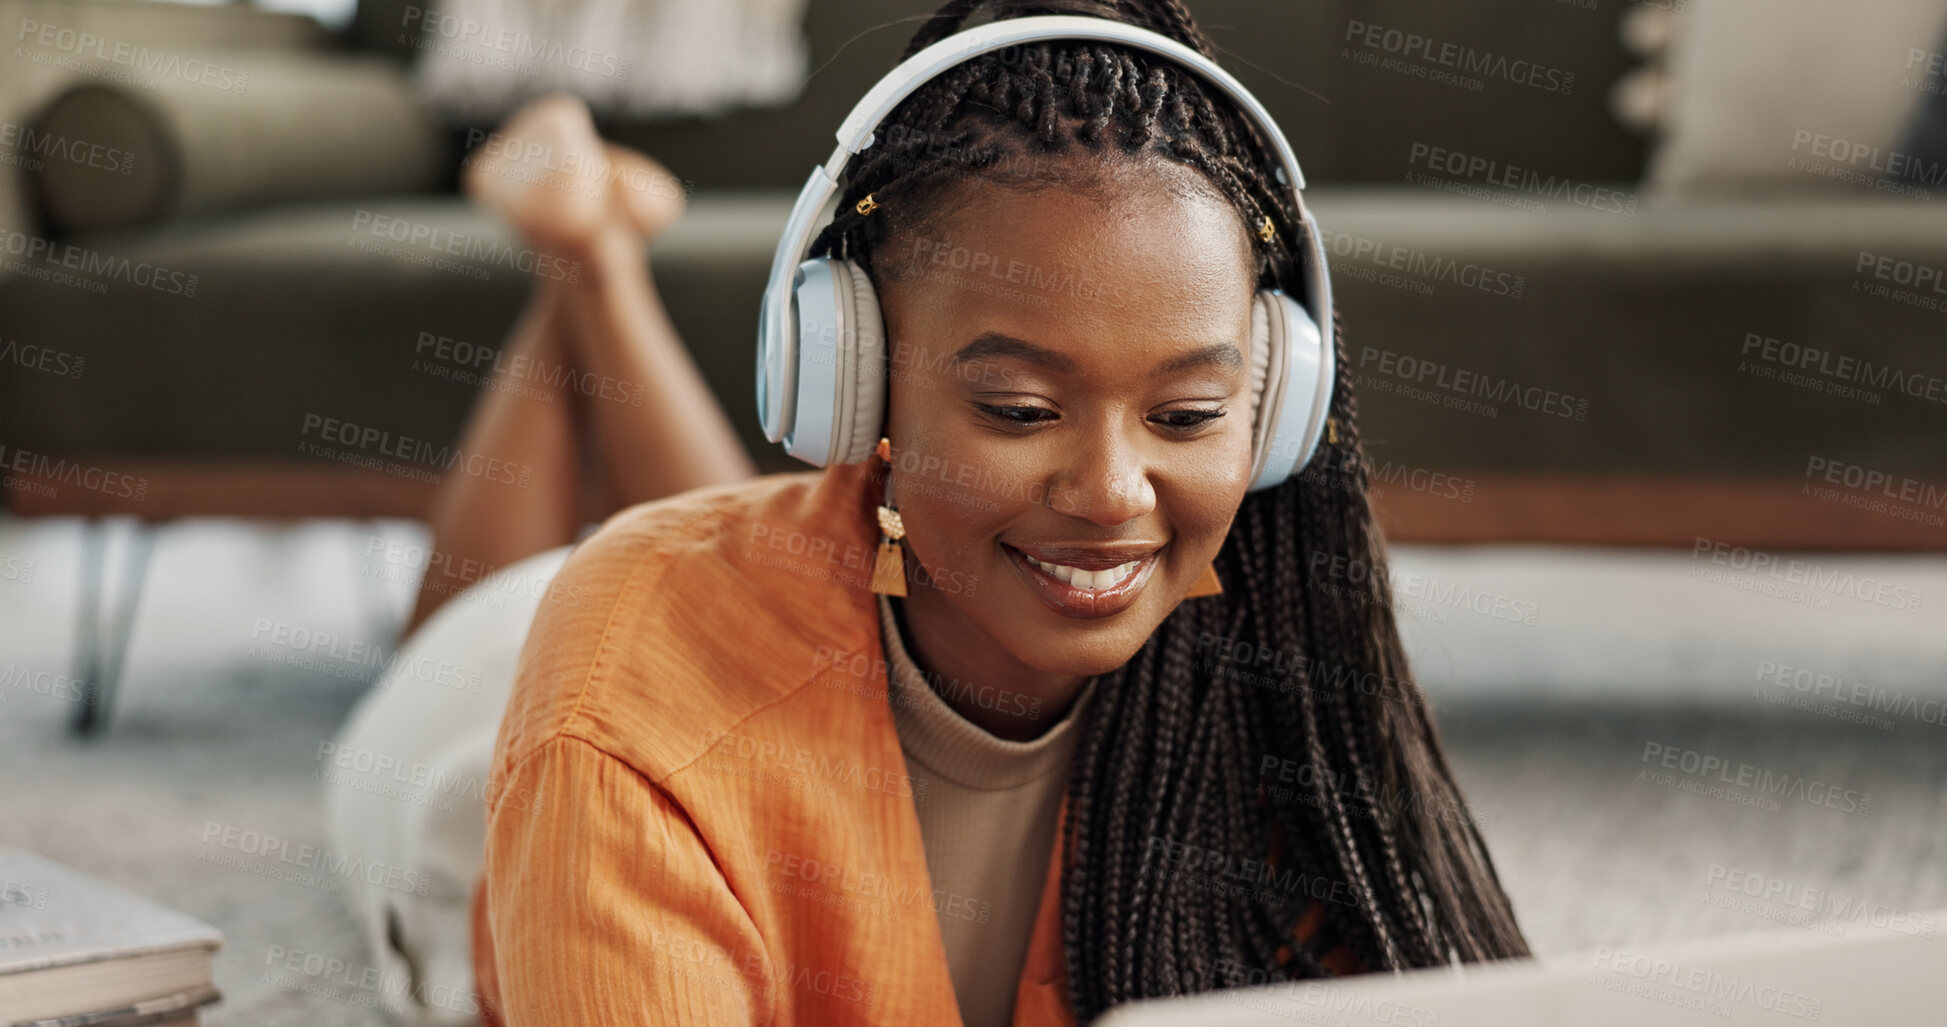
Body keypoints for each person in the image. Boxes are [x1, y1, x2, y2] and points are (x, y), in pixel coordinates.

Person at [327, 2, 1530, 1025]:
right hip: (477, 724)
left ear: (1275, 404)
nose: (1114, 495)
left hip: (779, 577)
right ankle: (580, 256)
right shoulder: (619, 713)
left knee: (706, 540)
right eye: (1016, 407)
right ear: (853, 381)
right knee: (529, 601)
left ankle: (587, 250)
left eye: (1186, 414)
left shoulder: (1266, 688)